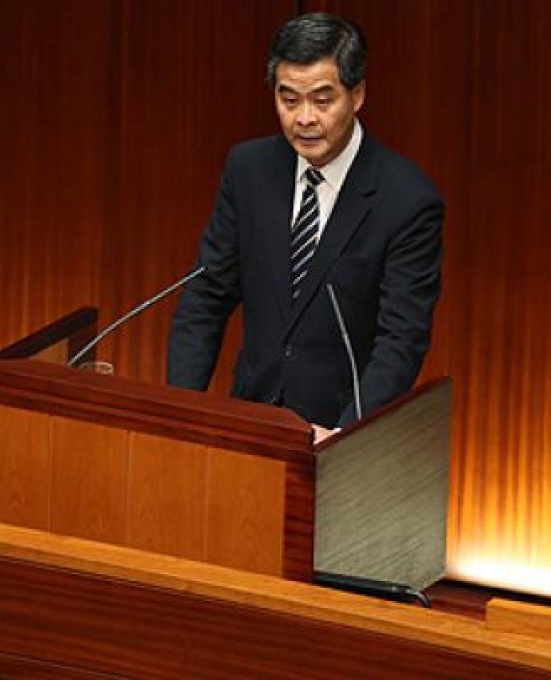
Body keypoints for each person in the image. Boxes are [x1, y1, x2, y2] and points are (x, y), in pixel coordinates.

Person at [167, 13, 443, 442]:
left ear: (357, 94)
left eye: (321, 99)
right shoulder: (248, 170)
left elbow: (400, 340)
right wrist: (180, 412)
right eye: (289, 99)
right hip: (252, 421)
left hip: (337, 434)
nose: (304, 118)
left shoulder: (406, 201)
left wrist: (343, 436)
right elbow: (206, 295)